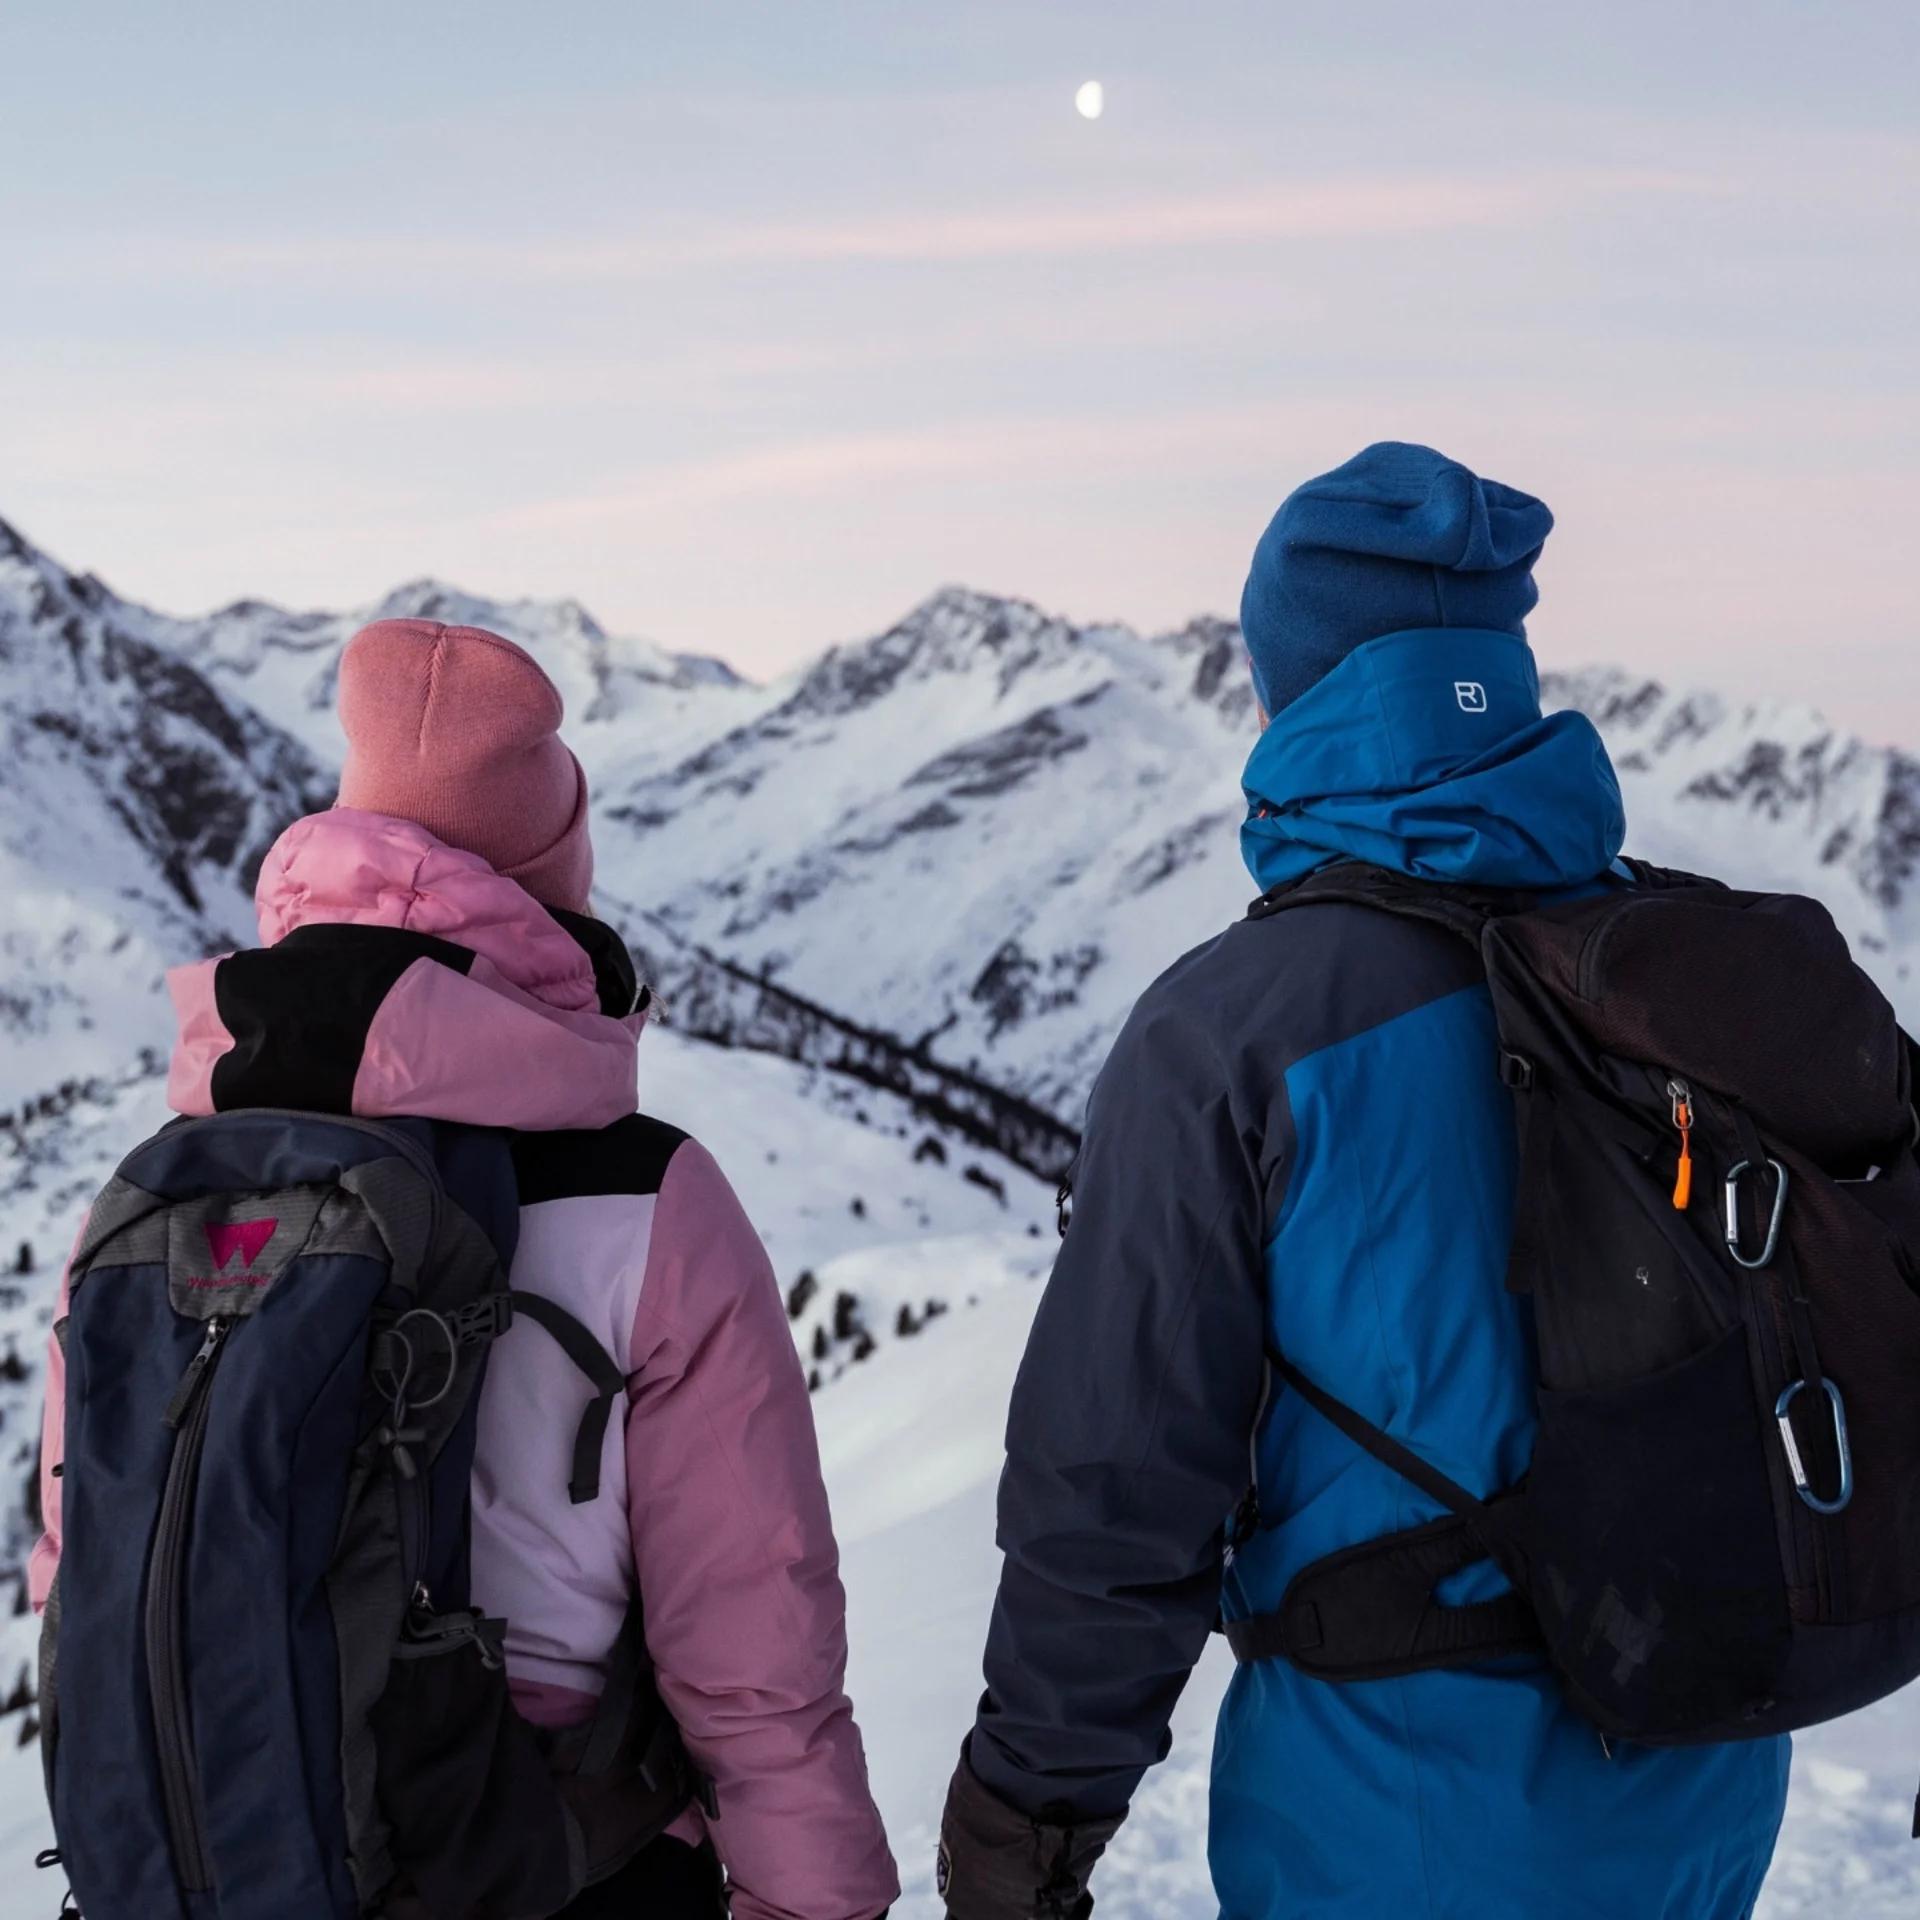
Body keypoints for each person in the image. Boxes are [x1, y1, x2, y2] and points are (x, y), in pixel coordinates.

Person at [935, 445, 1789, 1919]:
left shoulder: (1236, 1032)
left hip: (1391, 1823)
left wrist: (1025, 1820)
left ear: (1291, 688)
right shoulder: (1689, 974)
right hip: (1705, 1782)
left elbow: (1117, 1487)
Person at [32, 618, 899, 1920]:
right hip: (557, 1864)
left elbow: (80, 1566)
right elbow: (753, 1640)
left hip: (235, 1853)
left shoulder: (176, 1187)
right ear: (557, 895)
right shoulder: (649, 1199)